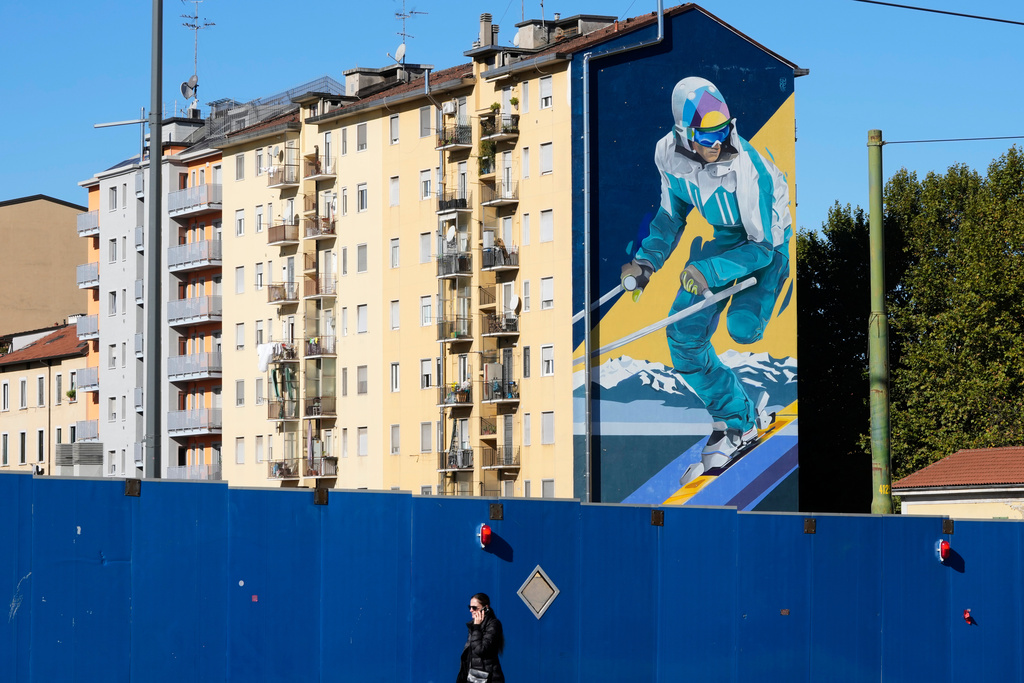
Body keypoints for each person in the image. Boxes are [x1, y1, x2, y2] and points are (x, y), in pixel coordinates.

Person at [620, 76, 792, 486]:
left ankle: (741, 415)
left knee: (743, 329)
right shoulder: (667, 153)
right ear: (683, 133)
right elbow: (671, 215)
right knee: (683, 335)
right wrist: (645, 263)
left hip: (766, 247)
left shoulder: (747, 168)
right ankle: (736, 418)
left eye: (722, 131)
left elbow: (761, 246)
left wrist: (709, 272)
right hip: (726, 241)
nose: (716, 142)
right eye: (705, 135)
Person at [456, 593, 505, 683]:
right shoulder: (474, 625)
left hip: (489, 679)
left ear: (485, 608)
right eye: (470, 607)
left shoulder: (493, 625)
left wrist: (476, 627)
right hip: (475, 678)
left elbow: (480, 650)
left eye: (474, 607)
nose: (471, 610)